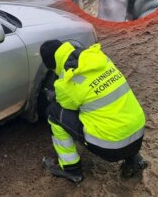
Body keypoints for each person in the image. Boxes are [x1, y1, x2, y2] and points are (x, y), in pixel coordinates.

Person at [40, 40, 147, 183]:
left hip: (111, 148)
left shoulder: (66, 83)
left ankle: (71, 170)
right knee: (115, 108)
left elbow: (66, 106)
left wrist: (54, 96)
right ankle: (133, 160)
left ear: (52, 66)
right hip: (138, 135)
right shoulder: (101, 59)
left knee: (54, 113)